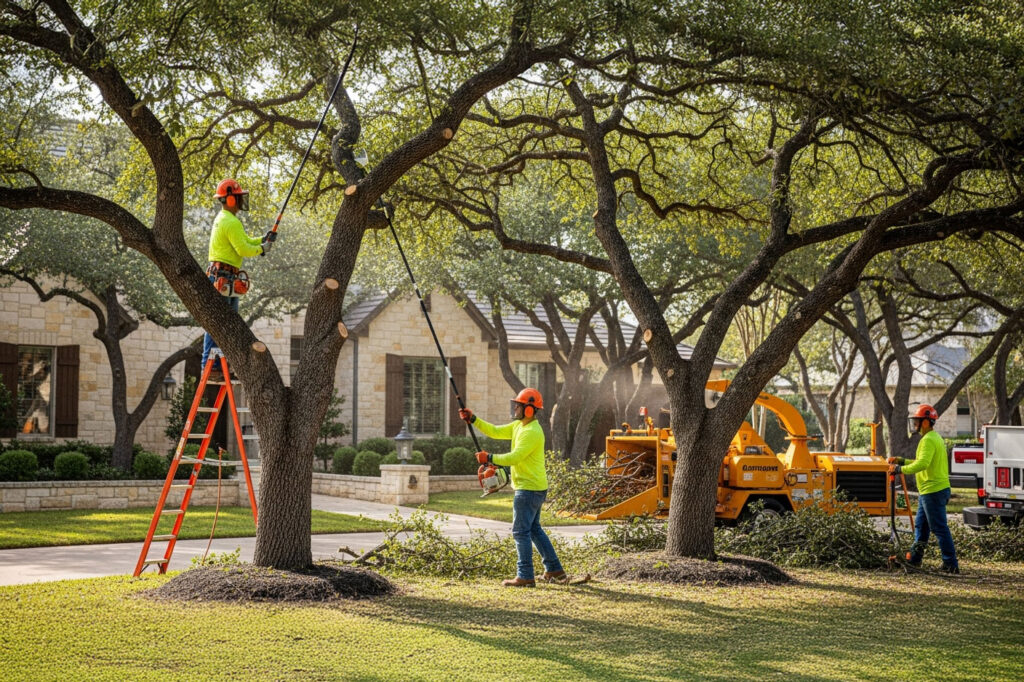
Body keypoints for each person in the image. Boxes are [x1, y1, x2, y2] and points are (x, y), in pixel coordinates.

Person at [459, 388, 567, 587]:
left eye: (518, 405)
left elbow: (515, 457)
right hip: (533, 487)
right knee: (534, 529)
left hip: (529, 489)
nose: (515, 407)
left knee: (520, 532)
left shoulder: (533, 431)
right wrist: (473, 419)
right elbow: (495, 431)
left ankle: (525, 576)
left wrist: (489, 458)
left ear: (529, 410)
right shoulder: (518, 426)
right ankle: (555, 570)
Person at [200, 178, 275, 379]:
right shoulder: (229, 221)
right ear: (231, 199)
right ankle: (210, 364)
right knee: (219, 321)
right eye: (239, 197)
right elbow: (243, 249)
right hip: (222, 277)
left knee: (229, 322)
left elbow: (245, 241)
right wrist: (261, 250)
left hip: (227, 277)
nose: (242, 201)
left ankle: (221, 363)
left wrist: (262, 239)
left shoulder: (225, 219)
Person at [889, 404, 959, 573]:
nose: (915, 425)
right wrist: (902, 461)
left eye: (917, 421)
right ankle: (915, 559)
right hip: (929, 491)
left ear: (926, 422)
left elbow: (922, 464)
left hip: (933, 491)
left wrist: (900, 470)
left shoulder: (928, 440)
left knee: (939, 528)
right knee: (921, 526)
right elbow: (921, 461)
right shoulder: (935, 438)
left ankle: (950, 564)